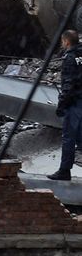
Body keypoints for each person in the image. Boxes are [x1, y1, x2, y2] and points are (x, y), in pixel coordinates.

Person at [48, 29, 82, 182]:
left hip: (74, 103)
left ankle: (64, 171)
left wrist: (61, 105)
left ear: (66, 42)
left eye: (63, 41)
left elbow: (69, 84)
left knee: (69, 138)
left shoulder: (70, 58)